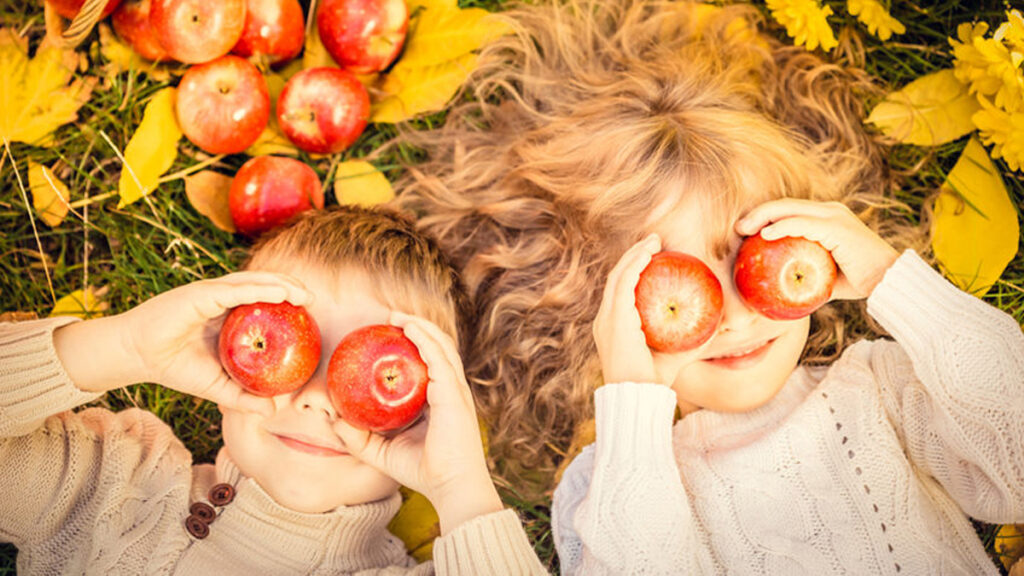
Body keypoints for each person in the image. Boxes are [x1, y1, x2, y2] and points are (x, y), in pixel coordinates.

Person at [394, 0, 1024, 573]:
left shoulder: (880, 389)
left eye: (754, 253)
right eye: (682, 284)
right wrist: (633, 407)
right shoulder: (609, 483)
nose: (734, 318)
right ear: (604, 308)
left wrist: (894, 281)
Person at [0, 206, 548, 575]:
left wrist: (462, 489)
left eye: (364, 376)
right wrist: (129, 346)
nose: (319, 400)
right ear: (225, 351)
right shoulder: (114, 489)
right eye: (296, 356)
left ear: (431, 408)